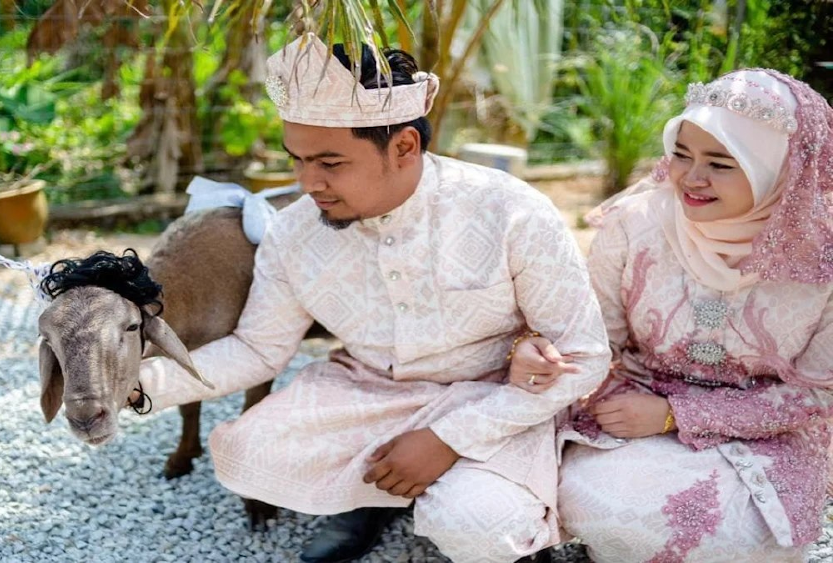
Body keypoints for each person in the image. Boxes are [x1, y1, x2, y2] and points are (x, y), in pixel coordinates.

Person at [134, 34, 611, 563]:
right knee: (250, 449)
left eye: (330, 163)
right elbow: (257, 350)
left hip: (490, 393)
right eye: (297, 160)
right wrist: (133, 386)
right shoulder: (293, 233)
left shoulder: (511, 210)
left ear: (404, 147)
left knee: (478, 526)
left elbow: (585, 356)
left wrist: (448, 439)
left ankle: (470, 492)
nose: (307, 183)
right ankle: (378, 493)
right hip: (369, 393)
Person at [509, 69, 833, 562]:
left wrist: (676, 417)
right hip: (631, 408)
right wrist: (542, 350)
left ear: (779, 169)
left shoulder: (822, 259)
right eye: (681, 154)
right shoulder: (635, 224)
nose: (691, 178)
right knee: (607, 504)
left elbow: (817, 392)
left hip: (767, 435)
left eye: (721, 163)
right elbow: (596, 337)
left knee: (736, 536)